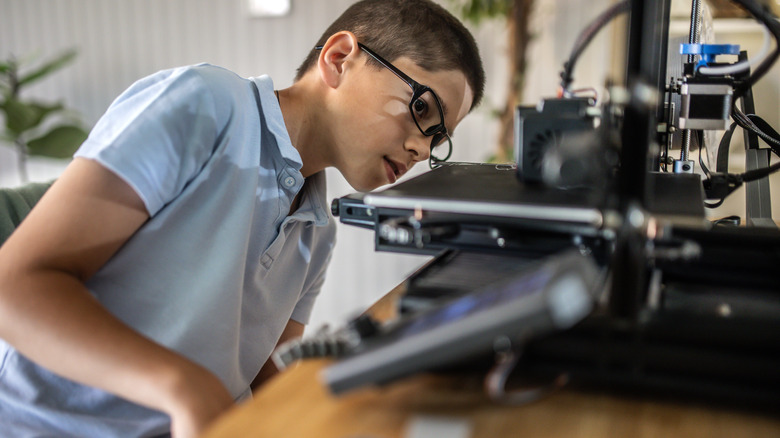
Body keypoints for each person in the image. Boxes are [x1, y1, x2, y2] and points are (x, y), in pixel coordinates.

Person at [0, 0, 485, 436]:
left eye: (438, 138)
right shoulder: (205, 106)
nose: (422, 148)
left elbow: (267, 381)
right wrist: (182, 386)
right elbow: (13, 286)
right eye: (422, 109)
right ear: (339, 58)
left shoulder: (319, 232)